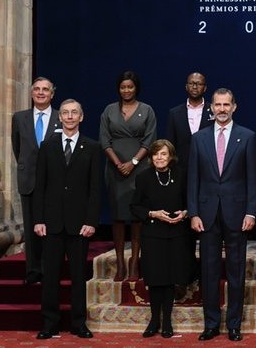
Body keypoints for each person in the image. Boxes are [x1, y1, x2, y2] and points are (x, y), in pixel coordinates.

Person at [187, 88, 256, 342]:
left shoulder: (247, 137)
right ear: (211, 107)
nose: (221, 109)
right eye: (217, 104)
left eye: (226, 104)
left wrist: (252, 211)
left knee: (236, 271)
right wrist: (193, 212)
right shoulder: (198, 138)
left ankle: (234, 325)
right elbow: (193, 179)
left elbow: (253, 179)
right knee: (208, 271)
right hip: (206, 214)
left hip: (237, 213)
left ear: (234, 107)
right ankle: (211, 324)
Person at [33, 99, 101, 339]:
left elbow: (95, 189)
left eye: (74, 113)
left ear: (81, 117)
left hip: (79, 225)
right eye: (65, 113)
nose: (70, 117)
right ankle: (49, 324)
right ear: (59, 117)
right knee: (50, 276)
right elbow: (39, 186)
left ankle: (78, 323)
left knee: (78, 278)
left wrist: (92, 221)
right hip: (51, 223)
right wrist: (39, 219)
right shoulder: (48, 146)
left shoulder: (92, 147)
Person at [129, 139, 193, 339]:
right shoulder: (144, 177)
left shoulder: (181, 175)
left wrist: (186, 212)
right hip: (153, 235)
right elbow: (135, 207)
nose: (159, 157)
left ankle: (167, 322)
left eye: (163, 154)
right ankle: (154, 320)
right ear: (151, 157)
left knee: (170, 279)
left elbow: (191, 200)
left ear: (170, 156)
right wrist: (152, 213)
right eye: (156, 154)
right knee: (156, 280)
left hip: (176, 234)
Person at [99, 71, 157, 281]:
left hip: (139, 168)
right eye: (123, 87)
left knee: (136, 216)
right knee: (117, 216)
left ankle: (134, 263)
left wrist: (132, 163)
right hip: (115, 169)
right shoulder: (109, 110)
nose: (126, 91)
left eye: (130, 87)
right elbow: (104, 141)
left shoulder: (147, 110)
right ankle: (120, 264)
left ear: (136, 88)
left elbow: (150, 140)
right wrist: (118, 164)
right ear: (118, 89)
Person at [11, 77, 61, 285]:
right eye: (37, 89)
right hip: (28, 179)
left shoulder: (61, 117)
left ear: (52, 94)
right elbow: (17, 147)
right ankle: (33, 271)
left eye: (45, 89)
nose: (41, 93)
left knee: (53, 227)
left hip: (54, 181)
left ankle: (50, 270)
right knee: (31, 228)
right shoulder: (19, 118)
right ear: (32, 93)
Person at [165, 71, 214, 170]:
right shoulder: (174, 113)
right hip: (181, 168)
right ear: (186, 87)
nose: (195, 87)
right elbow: (170, 143)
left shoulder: (214, 110)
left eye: (199, 84)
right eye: (191, 83)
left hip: (208, 167)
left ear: (205, 88)